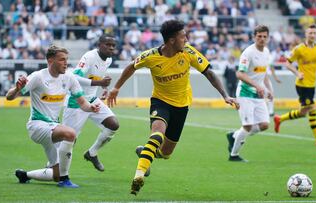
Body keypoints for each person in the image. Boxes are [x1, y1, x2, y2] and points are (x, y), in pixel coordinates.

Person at [107, 20, 239, 195]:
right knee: (157, 134)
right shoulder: (151, 56)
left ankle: (147, 152)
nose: (186, 39)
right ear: (171, 40)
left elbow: (209, 72)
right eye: (183, 36)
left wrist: (224, 95)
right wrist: (116, 88)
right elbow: (131, 67)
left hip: (182, 105)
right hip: (160, 102)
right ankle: (139, 174)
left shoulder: (189, 52)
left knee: (166, 153)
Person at [6, 45, 100, 188]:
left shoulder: (69, 77)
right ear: (51, 61)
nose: (66, 63)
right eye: (62, 60)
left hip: (53, 127)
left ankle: (25, 175)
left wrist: (91, 107)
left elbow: (82, 103)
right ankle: (65, 180)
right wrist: (17, 89)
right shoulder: (38, 77)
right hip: (37, 126)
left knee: (56, 174)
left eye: (66, 59)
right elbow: (9, 97)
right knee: (70, 134)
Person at [62, 34, 119, 172]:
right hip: (77, 100)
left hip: (92, 99)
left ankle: (92, 153)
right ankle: (53, 165)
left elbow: (99, 77)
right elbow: (74, 76)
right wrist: (99, 82)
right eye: (107, 44)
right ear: (99, 45)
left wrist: (104, 88)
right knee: (69, 138)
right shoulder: (89, 57)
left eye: (113, 45)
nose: (111, 48)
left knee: (113, 124)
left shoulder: (108, 60)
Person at [273, 25, 316, 147]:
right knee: (312, 108)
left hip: (312, 84)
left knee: (303, 112)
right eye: (310, 33)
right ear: (305, 34)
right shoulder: (299, 49)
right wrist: (297, 72)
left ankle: (279, 119)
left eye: (314, 33)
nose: (312, 35)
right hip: (302, 85)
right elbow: (287, 63)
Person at [226, 25, 273, 162]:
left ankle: (234, 135)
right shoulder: (248, 53)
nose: (262, 39)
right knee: (247, 126)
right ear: (254, 37)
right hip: (245, 93)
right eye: (259, 36)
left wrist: (269, 89)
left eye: (264, 36)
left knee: (264, 125)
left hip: (258, 95)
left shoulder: (266, 52)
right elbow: (240, 74)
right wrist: (257, 86)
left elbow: (263, 73)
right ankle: (233, 155)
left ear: (268, 38)